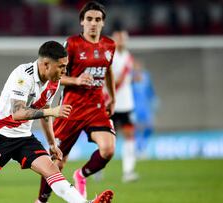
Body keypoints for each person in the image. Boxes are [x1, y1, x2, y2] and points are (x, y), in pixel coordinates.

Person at [0, 41, 114, 203]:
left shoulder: (53, 82)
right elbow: (18, 113)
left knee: (51, 170)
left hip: (24, 137)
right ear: (46, 64)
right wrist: (52, 111)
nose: (65, 70)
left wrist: (52, 143)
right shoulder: (23, 75)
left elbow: (45, 114)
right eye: (62, 66)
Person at [36, 2, 116, 202]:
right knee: (57, 162)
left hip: (96, 107)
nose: (93, 23)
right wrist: (77, 80)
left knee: (108, 148)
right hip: (71, 108)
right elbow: (55, 76)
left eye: (97, 19)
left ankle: (81, 175)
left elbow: (108, 71)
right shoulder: (72, 44)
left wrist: (112, 97)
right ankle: (41, 200)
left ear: (103, 23)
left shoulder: (109, 45)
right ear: (82, 22)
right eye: (89, 19)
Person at [109, 29, 139, 183]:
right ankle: (97, 169)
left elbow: (132, 78)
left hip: (126, 104)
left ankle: (128, 171)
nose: (121, 40)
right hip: (111, 103)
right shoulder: (109, 56)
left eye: (123, 37)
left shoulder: (127, 56)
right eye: (118, 37)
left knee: (129, 136)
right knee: (106, 139)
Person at [132, 60, 158, 158]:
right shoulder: (130, 78)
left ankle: (143, 146)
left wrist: (154, 100)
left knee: (150, 127)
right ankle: (138, 149)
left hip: (145, 107)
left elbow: (150, 90)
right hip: (134, 108)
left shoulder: (146, 76)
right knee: (136, 129)